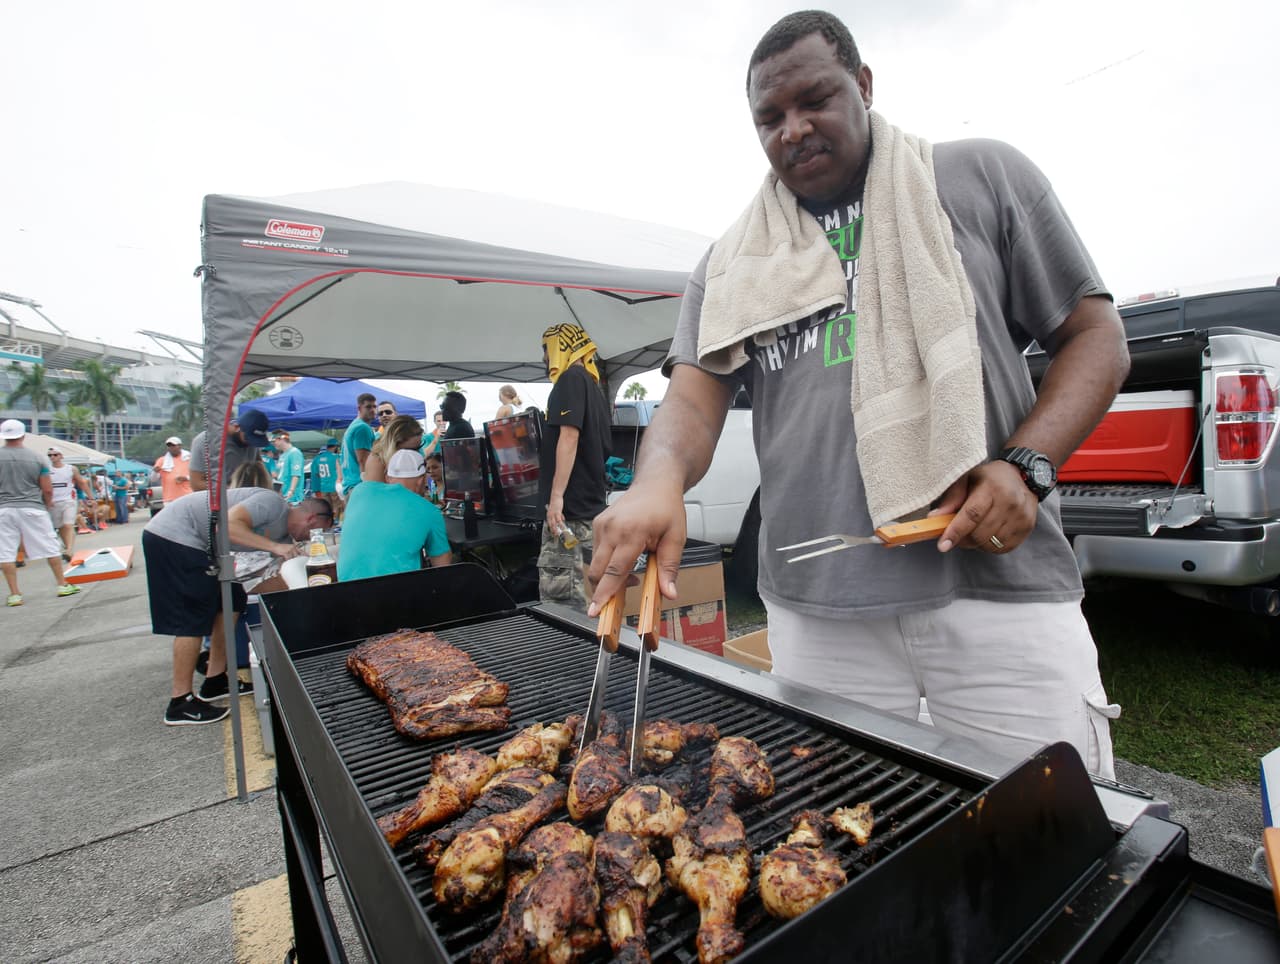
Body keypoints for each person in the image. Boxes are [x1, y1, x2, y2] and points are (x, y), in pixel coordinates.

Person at [587, 11, 1130, 779]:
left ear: (864, 85)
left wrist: (1026, 465)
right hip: (820, 615)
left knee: (1049, 829)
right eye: (770, 117)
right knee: (842, 829)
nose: (793, 129)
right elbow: (692, 400)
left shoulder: (980, 177)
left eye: (815, 100)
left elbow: (1096, 337)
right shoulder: (731, 263)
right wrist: (657, 481)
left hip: (995, 589)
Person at [143, 486, 332, 725]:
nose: (308, 539)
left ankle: (215, 680)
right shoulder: (272, 504)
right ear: (311, 518)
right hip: (175, 535)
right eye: (315, 532)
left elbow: (277, 580)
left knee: (232, 599)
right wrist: (275, 548)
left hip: (204, 547)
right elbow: (227, 526)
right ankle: (180, 701)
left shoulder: (283, 538)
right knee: (193, 613)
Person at [537, 324, 611, 608]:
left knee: (563, 603)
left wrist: (556, 498)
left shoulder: (570, 380)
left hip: (568, 514)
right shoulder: (592, 386)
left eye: (545, 349)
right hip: (588, 510)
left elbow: (569, 436)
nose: (544, 358)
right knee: (588, 598)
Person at [337, 449, 451, 582]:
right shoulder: (429, 511)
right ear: (422, 480)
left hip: (345, 587)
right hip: (394, 590)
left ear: (388, 477)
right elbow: (442, 566)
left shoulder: (359, 491)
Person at [0, 420, 81, 607]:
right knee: (50, 546)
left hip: (4, 508)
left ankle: (15, 594)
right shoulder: (37, 458)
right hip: (32, 506)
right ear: (23, 435)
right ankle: (62, 585)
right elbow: (47, 489)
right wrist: (48, 502)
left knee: (5, 552)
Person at [189, 410, 270, 491]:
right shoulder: (205, 442)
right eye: (249, 439)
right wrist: (233, 490)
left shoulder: (251, 444)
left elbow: (259, 468)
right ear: (237, 427)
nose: (251, 444)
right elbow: (196, 484)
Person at [46, 448, 90, 560]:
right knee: (60, 527)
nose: (52, 457)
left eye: (55, 454)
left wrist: (91, 497)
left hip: (69, 500)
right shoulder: (46, 469)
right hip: (54, 502)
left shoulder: (71, 469)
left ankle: (69, 550)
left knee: (68, 525)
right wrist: (47, 500)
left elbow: (81, 482)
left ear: (61, 456)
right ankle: (67, 548)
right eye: (50, 455)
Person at [362, 415, 425, 484]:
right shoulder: (377, 461)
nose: (414, 453)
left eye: (417, 448)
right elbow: (375, 490)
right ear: (393, 444)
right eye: (408, 450)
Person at [341, 393, 377, 499]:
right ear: (359, 408)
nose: (373, 410)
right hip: (360, 486)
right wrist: (369, 486)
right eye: (368, 407)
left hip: (350, 485)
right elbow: (363, 460)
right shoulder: (363, 428)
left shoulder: (353, 426)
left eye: (374, 406)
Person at [309, 438, 343, 520]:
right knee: (336, 506)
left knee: (327, 507)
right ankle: (335, 522)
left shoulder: (318, 458)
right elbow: (340, 470)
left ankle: (328, 522)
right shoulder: (335, 457)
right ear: (335, 447)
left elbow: (316, 473)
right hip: (334, 486)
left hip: (323, 486)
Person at [152, 436, 192, 506]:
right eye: (169, 446)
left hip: (187, 495)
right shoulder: (161, 460)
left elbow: (198, 475)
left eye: (173, 445)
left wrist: (185, 478)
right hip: (169, 498)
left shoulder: (189, 458)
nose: (171, 448)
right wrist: (155, 472)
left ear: (180, 446)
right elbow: (153, 479)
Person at [272, 431, 305, 505]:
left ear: (282, 439)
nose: (273, 443)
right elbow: (279, 475)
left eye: (274, 441)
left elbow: (296, 475)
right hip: (282, 494)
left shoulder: (295, 453)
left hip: (292, 497)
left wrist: (291, 491)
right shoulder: (283, 455)